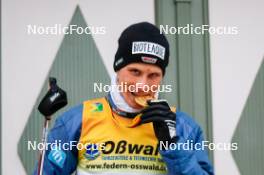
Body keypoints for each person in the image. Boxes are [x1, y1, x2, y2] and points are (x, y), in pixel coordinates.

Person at [33, 22, 214, 175]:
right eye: (135, 72)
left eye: (153, 75)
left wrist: (173, 145)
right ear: (118, 70)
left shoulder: (183, 126)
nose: (142, 85)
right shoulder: (77, 121)